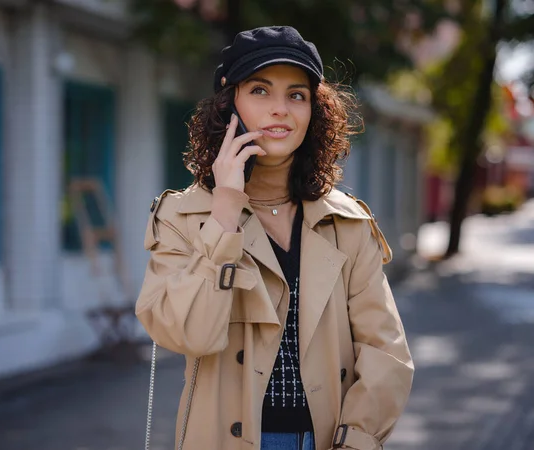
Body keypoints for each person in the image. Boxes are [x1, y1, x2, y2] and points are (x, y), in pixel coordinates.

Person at [136, 26, 414, 450]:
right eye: (260, 90)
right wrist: (225, 211)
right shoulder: (182, 216)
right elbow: (185, 334)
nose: (280, 109)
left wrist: (357, 439)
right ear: (230, 105)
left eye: (296, 95)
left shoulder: (347, 222)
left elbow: (385, 350)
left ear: (313, 113)